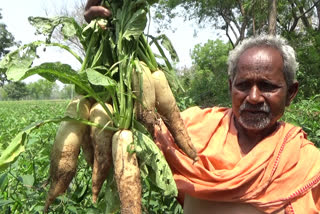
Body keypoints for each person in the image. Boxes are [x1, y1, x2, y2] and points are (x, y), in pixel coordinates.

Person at [84, 1, 320, 213]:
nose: (254, 97)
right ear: (230, 87)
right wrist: (103, 36)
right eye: (243, 85)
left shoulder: (305, 161)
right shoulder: (193, 129)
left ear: (291, 93)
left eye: (268, 86)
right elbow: (121, 126)